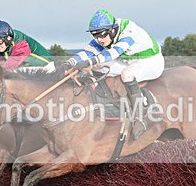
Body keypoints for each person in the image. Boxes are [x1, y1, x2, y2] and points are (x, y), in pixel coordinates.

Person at [64, 8, 163, 139]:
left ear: (112, 30)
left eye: (102, 35)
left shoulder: (129, 31)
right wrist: (68, 63)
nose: (99, 39)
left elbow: (113, 53)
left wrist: (88, 62)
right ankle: (106, 102)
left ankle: (139, 119)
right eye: (95, 36)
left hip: (150, 62)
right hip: (128, 61)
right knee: (98, 66)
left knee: (127, 74)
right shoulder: (106, 33)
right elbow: (87, 52)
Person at [0, 20, 54, 86]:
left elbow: (7, 68)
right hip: (25, 67)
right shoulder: (0, 45)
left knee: (10, 76)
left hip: (45, 67)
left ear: (8, 38)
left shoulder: (21, 43)